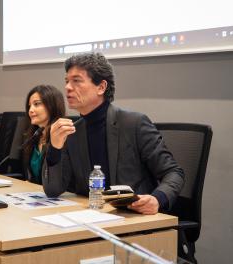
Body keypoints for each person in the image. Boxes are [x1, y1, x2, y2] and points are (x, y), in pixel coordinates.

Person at [43, 53, 184, 215]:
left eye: (76, 80)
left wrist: (158, 199)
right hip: (92, 217)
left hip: (134, 218)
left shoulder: (134, 124)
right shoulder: (72, 131)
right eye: (67, 81)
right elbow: (53, 190)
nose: (67, 87)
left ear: (101, 87)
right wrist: (54, 147)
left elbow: (174, 173)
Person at [22, 85, 65, 184]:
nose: (30, 110)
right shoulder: (32, 137)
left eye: (36, 104)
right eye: (29, 106)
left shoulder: (63, 137)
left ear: (52, 106)